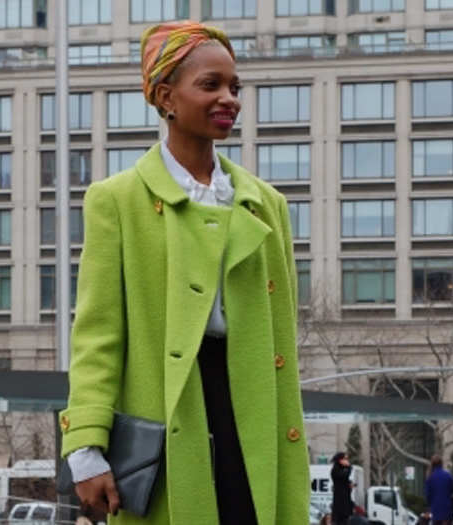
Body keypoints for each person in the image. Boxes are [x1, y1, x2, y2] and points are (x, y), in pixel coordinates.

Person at [58, 20, 310, 525]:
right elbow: (97, 335)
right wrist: (85, 445)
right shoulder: (117, 201)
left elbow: (283, 338)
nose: (229, 99)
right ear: (166, 97)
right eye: (211, 85)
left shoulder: (267, 205)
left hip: (253, 410)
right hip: (168, 411)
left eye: (235, 87)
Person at [424, 454, 453, 525]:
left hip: (436, 510)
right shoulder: (448, 476)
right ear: (441, 464)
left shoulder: (430, 478)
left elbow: (428, 495)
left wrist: (428, 508)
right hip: (447, 509)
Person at [331, 452, 354, 525]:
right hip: (340, 503)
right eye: (345, 459)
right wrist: (349, 467)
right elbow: (344, 476)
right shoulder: (336, 469)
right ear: (340, 460)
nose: (347, 461)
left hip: (345, 502)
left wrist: (349, 485)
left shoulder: (343, 469)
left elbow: (345, 481)